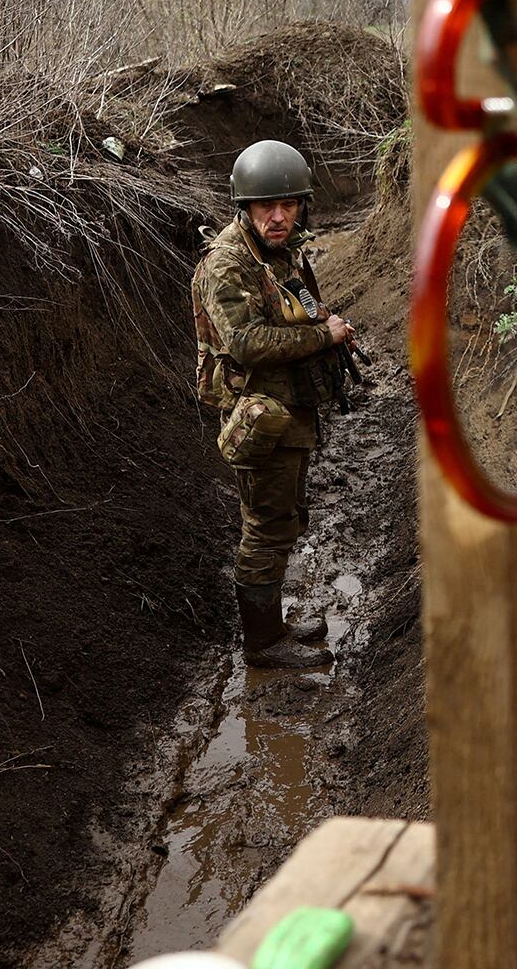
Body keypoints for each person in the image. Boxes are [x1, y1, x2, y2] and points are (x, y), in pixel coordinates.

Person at [189, 140, 357, 669]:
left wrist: (331, 329)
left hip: (290, 409)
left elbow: (306, 311)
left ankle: (273, 622)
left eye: (288, 205)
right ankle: (262, 644)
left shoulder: (281, 253)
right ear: (246, 207)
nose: (279, 216)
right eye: (267, 206)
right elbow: (247, 342)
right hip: (261, 415)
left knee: (285, 518)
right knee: (264, 525)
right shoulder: (226, 264)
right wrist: (323, 338)